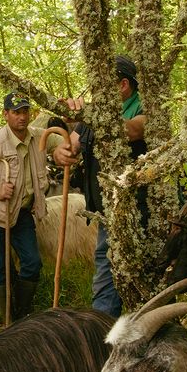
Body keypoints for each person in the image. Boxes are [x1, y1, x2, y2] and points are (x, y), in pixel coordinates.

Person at [0, 91, 76, 324]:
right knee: (0, 268)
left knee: (32, 262)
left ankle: (23, 314)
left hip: (22, 213)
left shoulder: (38, 136)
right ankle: (7, 320)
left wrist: (65, 147)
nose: (21, 117)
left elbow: (62, 141)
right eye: (16, 112)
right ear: (6, 114)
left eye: (25, 112)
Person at [57, 55, 148, 317]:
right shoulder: (95, 115)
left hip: (141, 215)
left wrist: (90, 115)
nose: (95, 89)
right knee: (105, 280)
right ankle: (102, 341)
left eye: (100, 83)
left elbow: (132, 130)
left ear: (122, 85)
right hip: (107, 214)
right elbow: (68, 147)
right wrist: (61, 154)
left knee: (145, 281)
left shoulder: (146, 107)